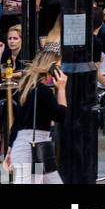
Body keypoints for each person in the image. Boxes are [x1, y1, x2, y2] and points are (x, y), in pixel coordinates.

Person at [3, 51, 66, 183]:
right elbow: (60, 115)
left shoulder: (27, 89)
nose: (61, 71)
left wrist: (10, 149)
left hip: (37, 150)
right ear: (51, 68)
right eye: (59, 68)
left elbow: (17, 124)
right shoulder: (43, 91)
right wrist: (61, 89)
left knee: (44, 180)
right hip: (30, 150)